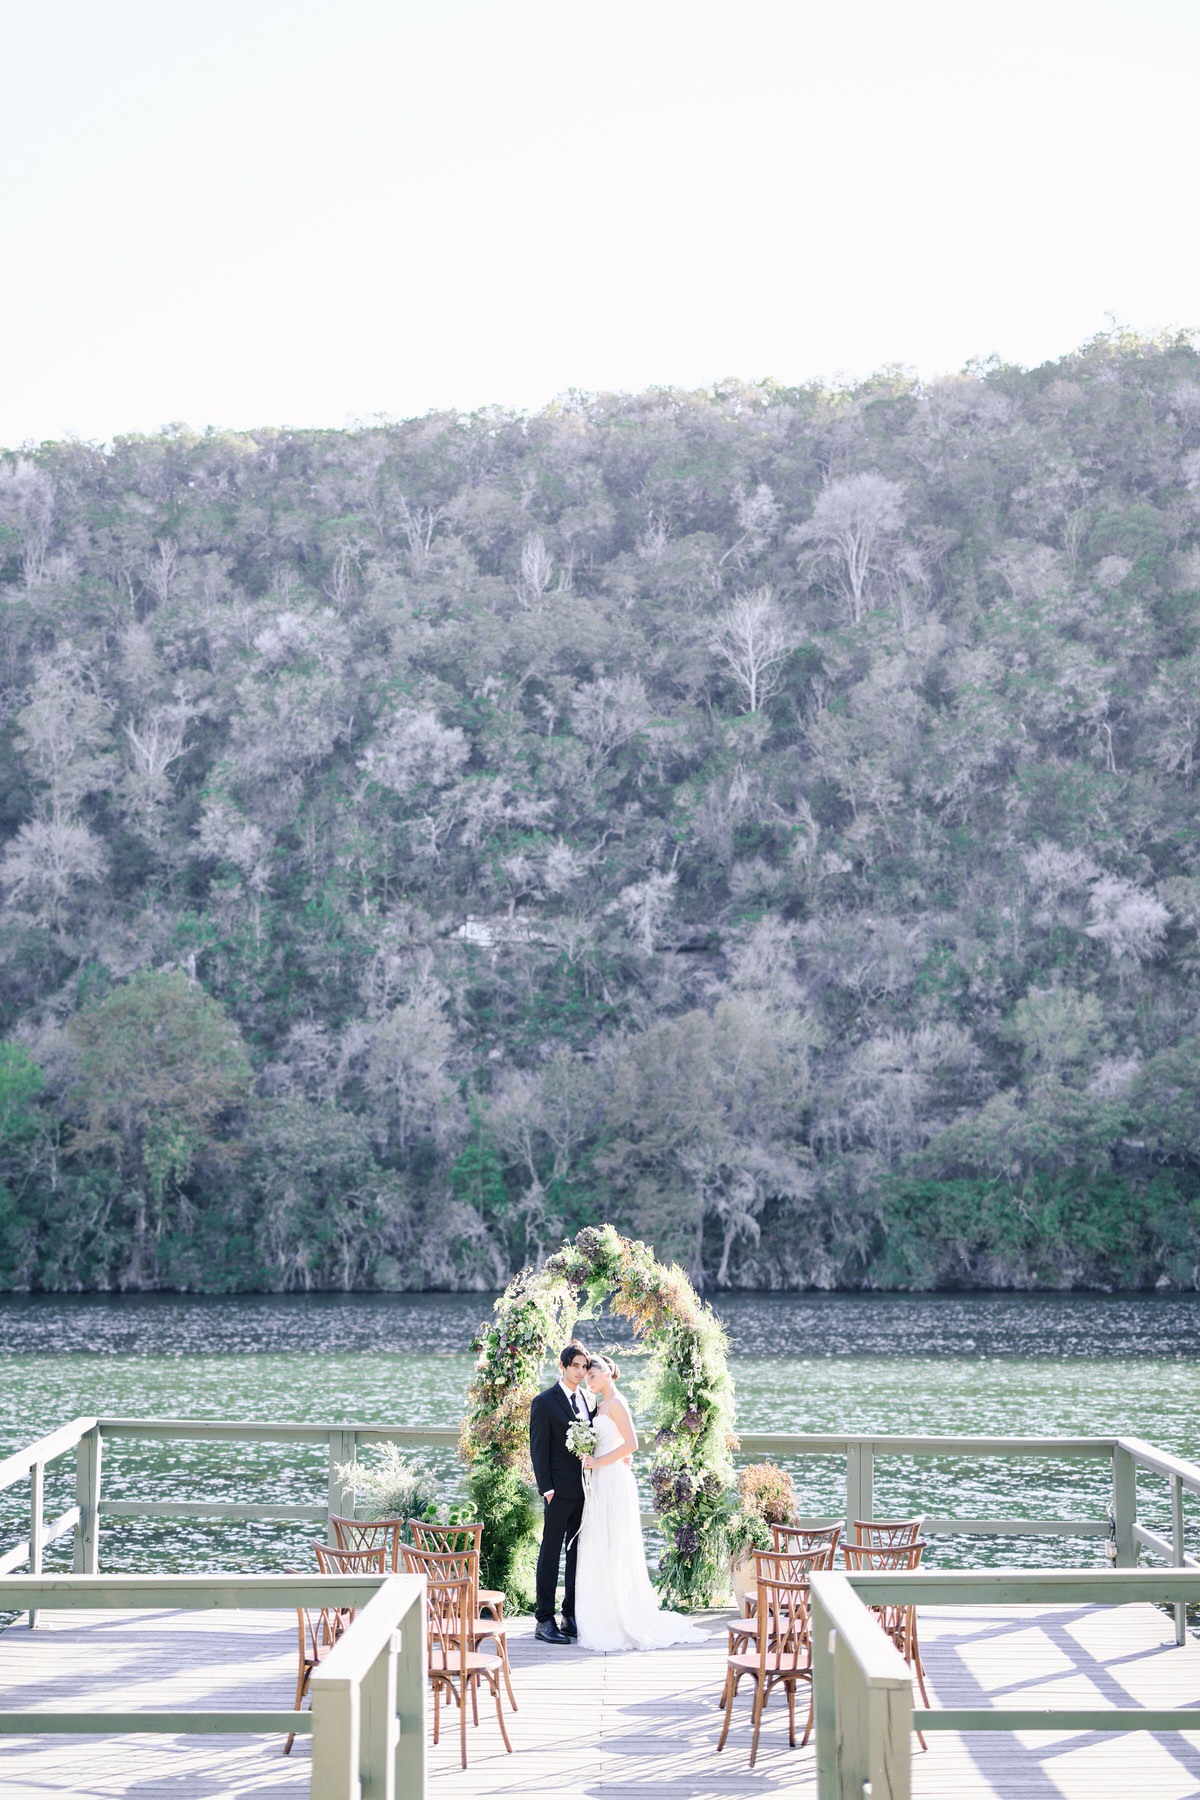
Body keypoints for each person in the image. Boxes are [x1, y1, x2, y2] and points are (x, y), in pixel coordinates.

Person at [573, 1355, 704, 1652]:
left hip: (614, 1480)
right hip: (601, 1480)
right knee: (599, 1543)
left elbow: (632, 1443)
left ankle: (621, 1614)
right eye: (587, 1375)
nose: (589, 1379)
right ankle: (600, 1611)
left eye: (594, 1374)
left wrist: (599, 1461)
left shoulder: (617, 1403)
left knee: (615, 1544)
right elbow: (615, 1443)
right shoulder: (598, 1405)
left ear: (609, 1375)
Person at [528, 1340, 595, 1643]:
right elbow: (538, 1449)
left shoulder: (587, 1400)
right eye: (576, 1366)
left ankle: (570, 1615)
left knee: (577, 1555)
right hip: (558, 1493)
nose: (581, 1372)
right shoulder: (544, 1401)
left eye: (584, 1367)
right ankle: (544, 1620)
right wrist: (548, 1489)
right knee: (550, 1555)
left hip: (584, 1492)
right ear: (563, 1366)